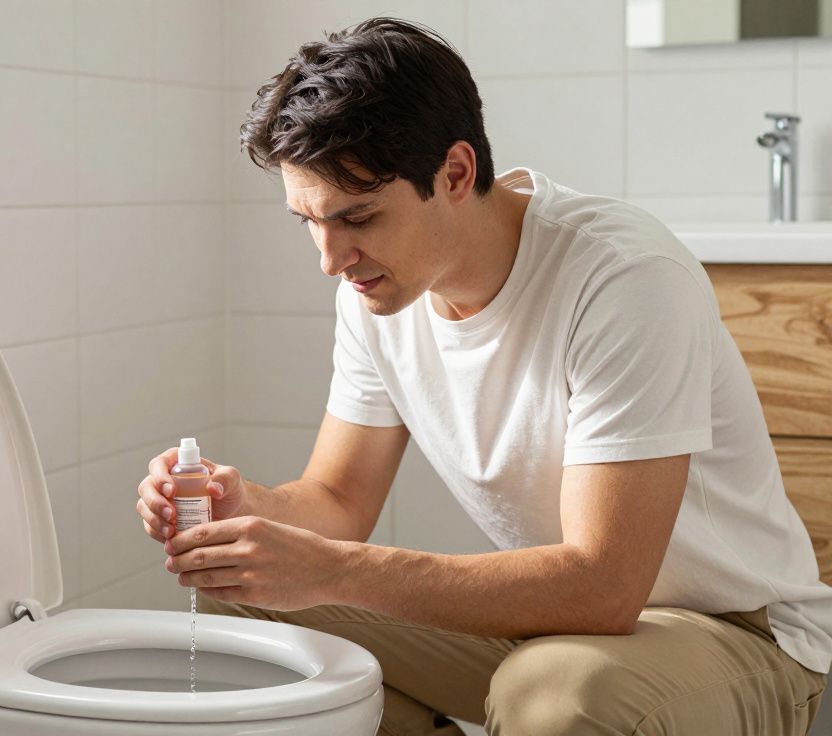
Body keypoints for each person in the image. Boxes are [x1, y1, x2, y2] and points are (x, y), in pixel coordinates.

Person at [134, 17, 831, 736]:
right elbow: (338, 500)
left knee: (556, 696)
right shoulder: (373, 294)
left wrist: (336, 571)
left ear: (456, 173)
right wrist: (245, 507)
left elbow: (605, 587)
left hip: (733, 633)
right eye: (309, 222)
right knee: (238, 592)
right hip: (560, 629)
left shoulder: (624, 278)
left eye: (359, 217)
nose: (331, 259)